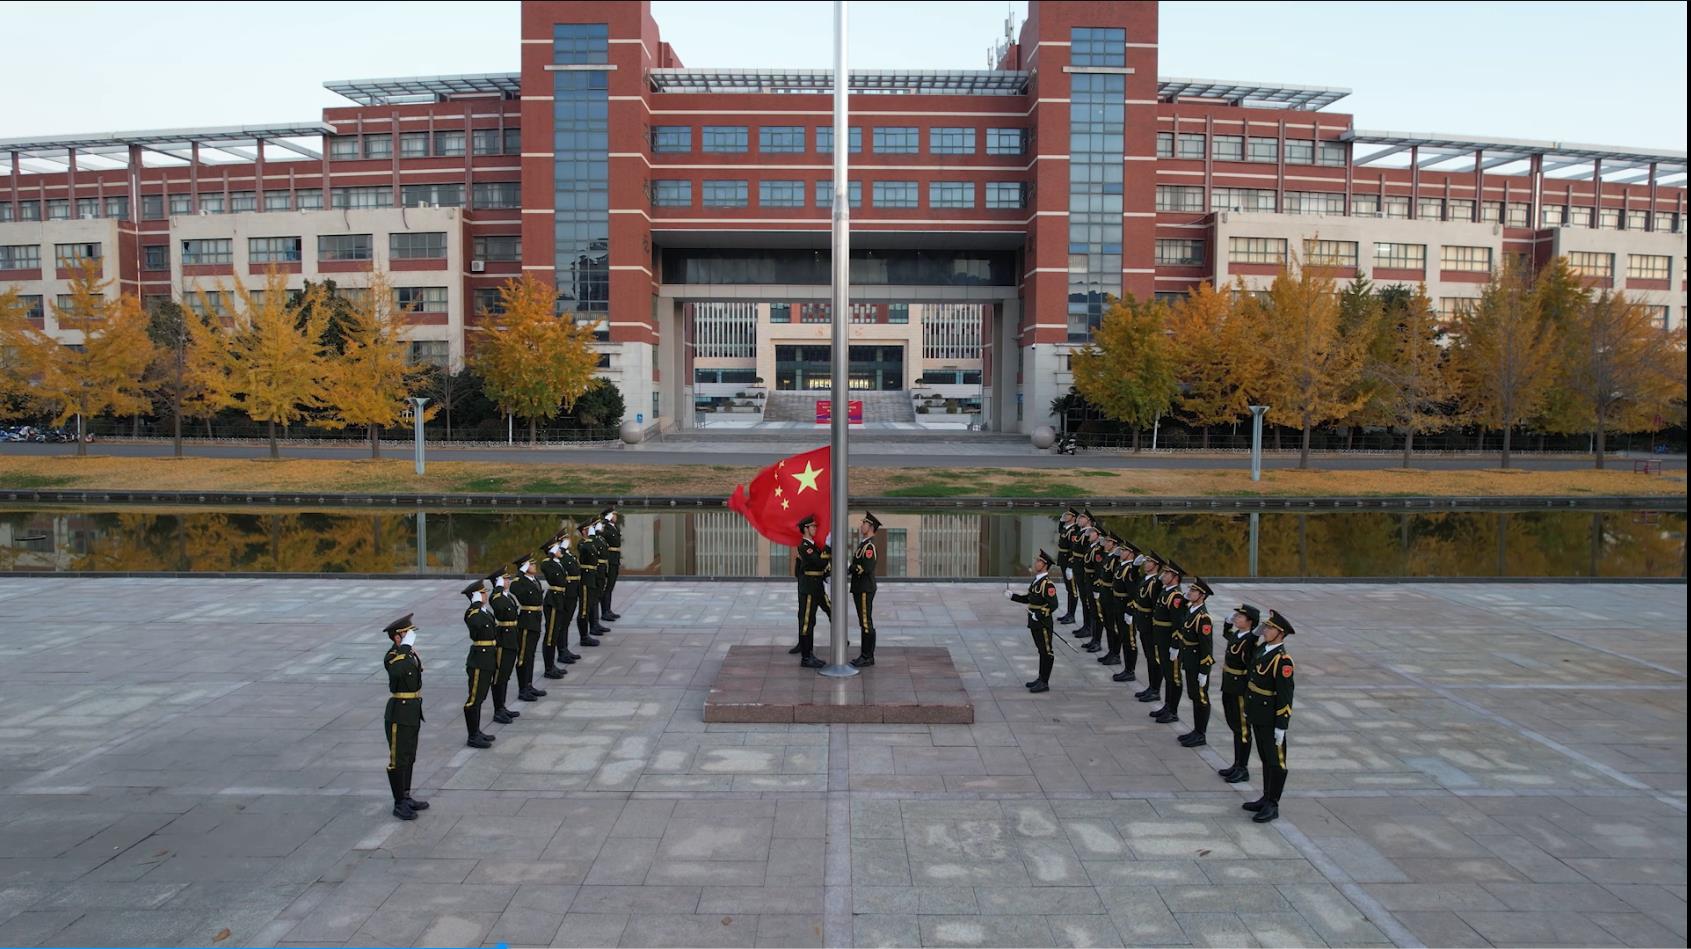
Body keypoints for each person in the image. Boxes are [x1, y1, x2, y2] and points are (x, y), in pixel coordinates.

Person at [1243, 609, 1296, 823]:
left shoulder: (1283, 661)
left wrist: (1282, 725)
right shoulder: (1263, 649)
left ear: (1280, 633)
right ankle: (1265, 797)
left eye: (1270, 628)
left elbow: (1285, 696)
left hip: (1271, 717)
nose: (1265, 630)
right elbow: (1247, 651)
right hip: (1258, 713)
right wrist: (1255, 633)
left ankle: (1273, 804)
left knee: (1276, 762)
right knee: (1265, 757)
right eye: (1266, 626)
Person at [382, 613, 428, 820]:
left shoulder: (407, 653)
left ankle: (406, 795)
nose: (411, 637)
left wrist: (408, 650)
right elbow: (397, 671)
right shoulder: (393, 656)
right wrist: (405, 648)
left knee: (409, 755)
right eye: (407, 634)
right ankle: (399, 802)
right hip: (399, 713)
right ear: (397, 637)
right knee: (398, 758)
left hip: (412, 710)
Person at [1219, 603, 1261, 784]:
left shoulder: (1250, 640)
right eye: (1236, 616)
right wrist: (1227, 622)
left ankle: (1243, 768)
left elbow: (1252, 645)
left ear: (1250, 622)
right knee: (1234, 726)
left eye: (1240, 617)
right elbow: (1226, 634)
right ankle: (1236, 764)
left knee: (1242, 730)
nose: (1236, 618)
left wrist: (1256, 633)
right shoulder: (1238, 635)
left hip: (1240, 689)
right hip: (1229, 686)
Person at [1007, 549, 1059, 693]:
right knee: (1041, 650)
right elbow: (1029, 599)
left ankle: (1044, 682)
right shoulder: (1037, 581)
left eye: (1039, 561)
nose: (1036, 563)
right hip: (1035, 622)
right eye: (1037, 561)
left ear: (1045, 565)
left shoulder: (1047, 584)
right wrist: (1013, 596)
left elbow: (1053, 605)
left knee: (1047, 652)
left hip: (1043, 623)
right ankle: (1041, 678)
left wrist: (1040, 614)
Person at [1174, 576, 1216, 748]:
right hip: (1189, 660)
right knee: (1194, 696)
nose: (1189, 592)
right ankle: (1196, 730)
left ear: (1202, 595)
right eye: (1190, 590)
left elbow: (1207, 647)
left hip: (1198, 663)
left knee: (1201, 698)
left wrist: (1204, 670)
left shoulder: (1203, 618)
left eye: (1193, 591)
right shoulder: (1191, 609)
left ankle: (1201, 734)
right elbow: (1179, 610)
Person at [1148, 557, 1187, 724]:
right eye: (1163, 572)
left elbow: (1179, 624)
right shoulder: (1166, 591)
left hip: (1170, 642)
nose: (1163, 575)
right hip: (1161, 640)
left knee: (1174, 677)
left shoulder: (1176, 597)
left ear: (1175, 577)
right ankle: (1167, 705)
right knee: (1167, 674)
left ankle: (1173, 711)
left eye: (1167, 574)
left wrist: (1175, 645)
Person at [460, 579, 498, 749]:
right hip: (479, 660)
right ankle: (472, 735)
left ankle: (477, 731)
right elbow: (474, 623)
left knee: (481, 697)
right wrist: (475, 604)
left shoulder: (483, 611)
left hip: (488, 657)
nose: (485, 595)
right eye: (482, 593)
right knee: (474, 699)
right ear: (476, 596)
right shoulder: (472, 612)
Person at [539, 536, 581, 679]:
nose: (560, 549)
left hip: (560, 598)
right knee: (550, 635)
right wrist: (552, 554)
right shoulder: (548, 563)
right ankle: (548, 668)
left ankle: (552, 665)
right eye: (556, 548)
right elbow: (548, 569)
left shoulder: (557, 563)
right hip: (553, 600)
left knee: (556, 631)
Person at [793, 514, 831, 669]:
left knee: (811, 621)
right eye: (813, 526)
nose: (815, 528)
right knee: (807, 623)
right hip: (809, 588)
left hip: (814, 586)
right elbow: (819, 562)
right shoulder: (805, 546)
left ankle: (809, 655)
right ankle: (806, 657)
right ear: (806, 528)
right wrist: (828, 546)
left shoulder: (812, 545)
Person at [510, 555, 548, 703]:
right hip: (526, 621)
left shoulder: (533, 580)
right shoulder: (519, 581)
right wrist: (520, 572)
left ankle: (529, 684)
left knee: (531, 655)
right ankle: (522, 689)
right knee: (523, 656)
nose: (534, 566)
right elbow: (513, 588)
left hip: (535, 620)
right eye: (530, 564)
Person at [488, 567, 522, 725]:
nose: (508, 581)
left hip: (511, 638)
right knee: (499, 676)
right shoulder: (496, 597)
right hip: (503, 640)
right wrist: (498, 588)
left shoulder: (507, 596)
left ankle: (502, 706)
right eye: (505, 579)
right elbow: (499, 606)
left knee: (506, 674)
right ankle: (498, 710)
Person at [1131, 550, 1165, 703]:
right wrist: (1134, 567)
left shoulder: (1155, 583)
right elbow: (1133, 582)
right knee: (1149, 657)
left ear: (1156, 565)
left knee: (1154, 659)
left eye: (1149, 562)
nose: (1146, 564)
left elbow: (1156, 607)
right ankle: (1151, 687)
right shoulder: (1146, 579)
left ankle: (1155, 689)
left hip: (1150, 626)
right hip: (1143, 623)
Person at [849, 511, 881, 668]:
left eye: (864, 523)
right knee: (864, 621)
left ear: (871, 527)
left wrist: (851, 567)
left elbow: (866, 568)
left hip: (864, 588)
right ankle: (865, 655)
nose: (861, 526)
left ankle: (867, 656)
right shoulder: (864, 544)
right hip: (860, 587)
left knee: (866, 622)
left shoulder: (869, 546)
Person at [1108, 539, 1140, 683]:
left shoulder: (1130, 570)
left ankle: (1130, 670)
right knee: (1123, 637)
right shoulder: (1122, 567)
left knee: (1129, 640)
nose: (1121, 552)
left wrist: (1130, 610)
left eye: (1125, 550)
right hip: (1118, 606)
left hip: (1126, 607)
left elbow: (1134, 594)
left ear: (1131, 554)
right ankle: (1126, 669)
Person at [1087, 532, 1119, 655]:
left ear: (1114, 544)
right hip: (1103, 591)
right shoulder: (1108, 556)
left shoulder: (1115, 559)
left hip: (1109, 595)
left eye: (1108, 541)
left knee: (1110, 625)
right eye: (1105, 541)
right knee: (1104, 621)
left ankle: (1114, 653)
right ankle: (1110, 651)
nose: (1105, 543)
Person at [575, 520, 606, 645]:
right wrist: (591, 537)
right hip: (585, 579)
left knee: (592, 603)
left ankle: (593, 626)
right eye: (589, 529)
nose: (591, 531)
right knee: (584, 609)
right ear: (584, 531)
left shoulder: (590, 542)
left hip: (593, 577)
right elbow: (587, 549)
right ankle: (584, 637)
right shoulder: (582, 544)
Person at [1055, 508, 1080, 625]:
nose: (1066, 516)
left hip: (1068, 561)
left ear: (1074, 517)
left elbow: (1073, 549)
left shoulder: (1074, 531)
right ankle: (1068, 613)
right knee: (1069, 589)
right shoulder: (1066, 528)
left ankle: (1072, 615)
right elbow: (1061, 531)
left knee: (1073, 590)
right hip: (1063, 560)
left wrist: (1070, 565)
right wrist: (1061, 521)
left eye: (1068, 515)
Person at [599, 507, 624, 622]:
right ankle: (604, 612)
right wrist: (604, 522)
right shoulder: (605, 527)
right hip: (609, 559)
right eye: (614, 515)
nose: (616, 517)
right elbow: (601, 539)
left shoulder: (614, 527)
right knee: (607, 586)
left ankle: (608, 610)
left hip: (615, 559)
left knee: (611, 586)